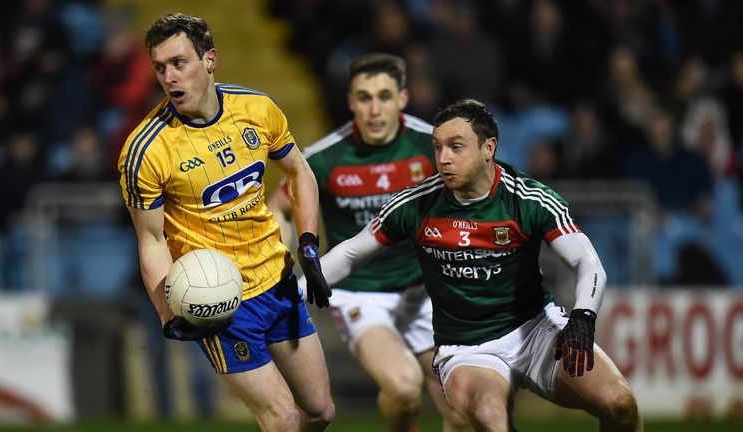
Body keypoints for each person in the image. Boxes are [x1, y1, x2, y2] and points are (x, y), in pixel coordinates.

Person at [312, 99, 643, 431]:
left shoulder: (528, 199)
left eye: (456, 147)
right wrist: (302, 285)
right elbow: (353, 252)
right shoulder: (416, 203)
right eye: (438, 147)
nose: (443, 158)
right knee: (491, 421)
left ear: (489, 148)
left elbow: (588, 263)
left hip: (535, 331)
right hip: (466, 349)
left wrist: (583, 316)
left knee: (620, 405)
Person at [117, 13, 334, 431]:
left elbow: (299, 173)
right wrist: (170, 315)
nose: (169, 77)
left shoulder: (256, 109)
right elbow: (151, 239)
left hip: (277, 279)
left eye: (179, 63)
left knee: (320, 411)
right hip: (219, 300)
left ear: (210, 59)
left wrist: (308, 245)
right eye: (160, 68)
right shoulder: (145, 149)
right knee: (284, 418)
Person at [269, 53, 468, 432]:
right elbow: (279, 208)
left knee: (463, 411)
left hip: (426, 291)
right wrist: (285, 253)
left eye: (384, 96)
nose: (375, 109)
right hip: (362, 294)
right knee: (405, 386)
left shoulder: (433, 145)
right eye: (364, 97)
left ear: (403, 98)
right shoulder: (325, 157)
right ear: (350, 101)